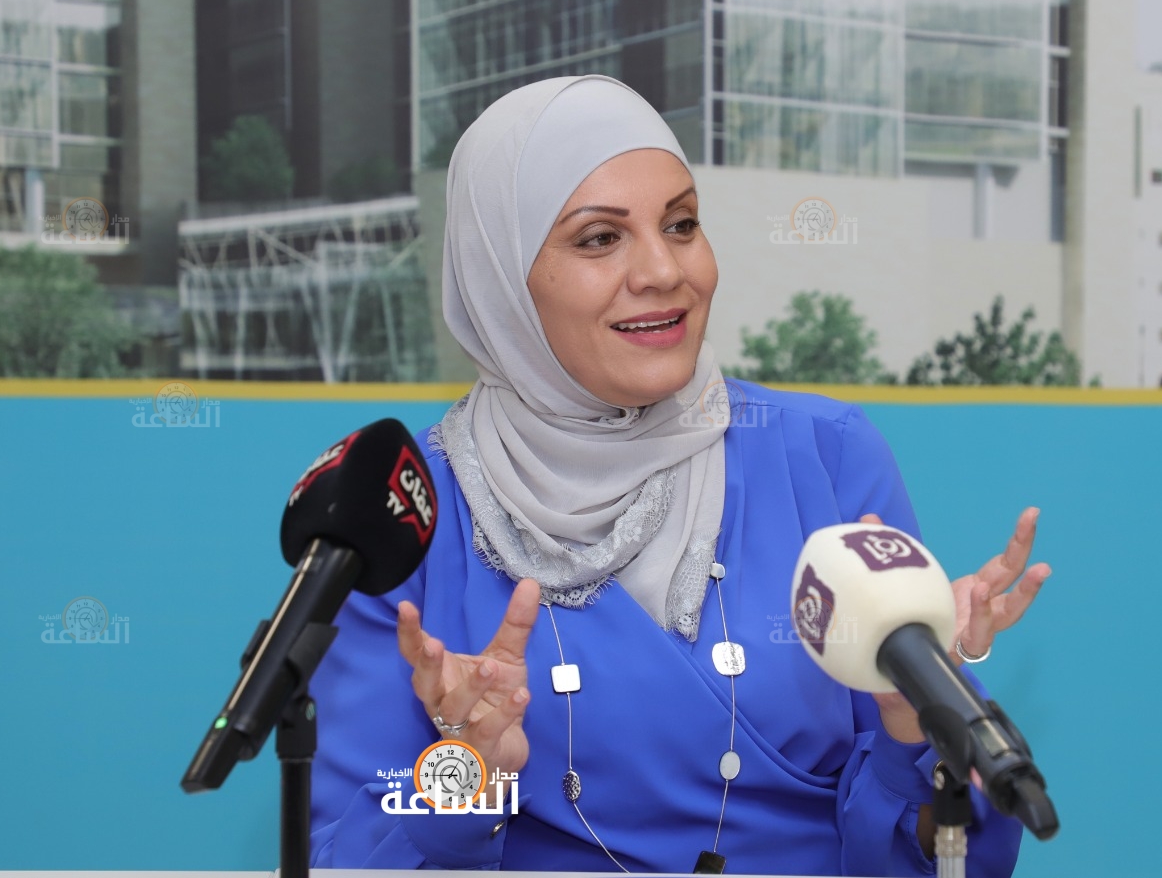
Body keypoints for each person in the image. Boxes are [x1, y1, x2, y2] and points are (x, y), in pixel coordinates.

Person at [308, 75, 1050, 875]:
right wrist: (470, 772)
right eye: (600, 238)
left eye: (682, 224)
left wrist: (912, 713)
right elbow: (343, 857)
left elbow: (937, 860)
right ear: (501, 277)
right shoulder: (408, 512)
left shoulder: (825, 457)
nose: (664, 270)